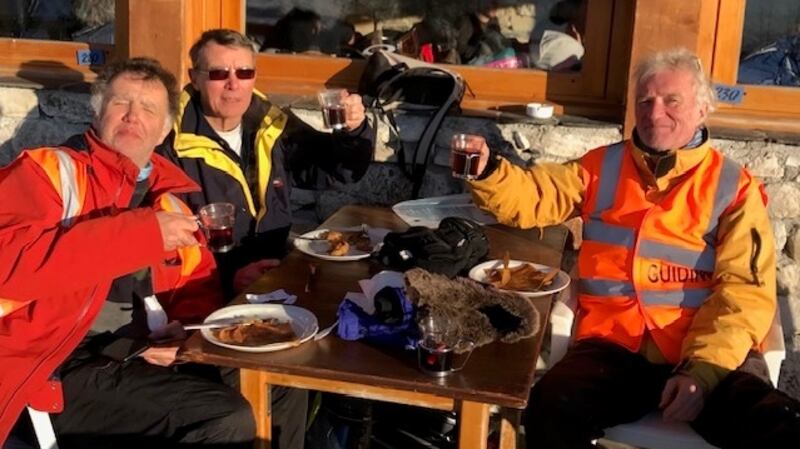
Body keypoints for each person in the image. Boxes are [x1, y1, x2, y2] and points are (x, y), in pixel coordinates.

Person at [464, 48, 800, 448]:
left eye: (671, 100)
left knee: (783, 426)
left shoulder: (733, 188)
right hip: (613, 348)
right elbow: (536, 195)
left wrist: (701, 373)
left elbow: (744, 293)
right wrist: (487, 172)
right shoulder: (601, 166)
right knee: (551, 406)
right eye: (645, 100)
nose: (655, 112)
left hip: (708, 354)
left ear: (702, 109)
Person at [0, 57, 254, 449]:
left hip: (134, 354)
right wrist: (141, 235)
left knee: (266, 379)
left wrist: (182, 335)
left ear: (164, 129)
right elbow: (9, 264)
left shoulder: (170, 204)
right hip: (54, 363)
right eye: (121, 103)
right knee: (225, 418)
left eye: (149, 108)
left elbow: (197, 295)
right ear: (98, 111)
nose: (134, 116)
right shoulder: (47, 172)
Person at [157, 28, 373, 449]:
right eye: (219, 72)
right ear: (195, 76)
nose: (234, 83)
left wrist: (354, 130)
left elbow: (336, 170)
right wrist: (229, 278)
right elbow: (160, 249)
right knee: (278, 383)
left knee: (335, 351)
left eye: (244, 71)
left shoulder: (268, 121)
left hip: (273, 288)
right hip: (208, 302)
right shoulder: (171, 140)